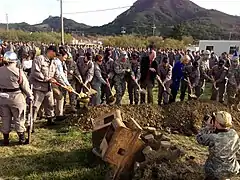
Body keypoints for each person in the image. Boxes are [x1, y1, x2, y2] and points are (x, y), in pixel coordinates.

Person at [0, 51, 33, 145]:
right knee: (19, 117)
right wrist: (30, 95)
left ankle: (6, 139)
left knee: (5, 118)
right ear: (14, 61)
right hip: (16, 96)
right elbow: (25, 86)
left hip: (2, 97)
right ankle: (21, 139)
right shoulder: (18, 71)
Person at [196, 111, 240, 180]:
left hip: (215, 172)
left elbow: (199, 138)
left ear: (216, 123)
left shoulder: (213, 138)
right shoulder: (234, 134)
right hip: (232, 169)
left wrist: (207, 126)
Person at [30, 46, 65, 126]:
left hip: (48, 88)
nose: (56, 55)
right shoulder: (39, 59)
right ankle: (31, 124)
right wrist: (47, 79)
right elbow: (35, 73)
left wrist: (65, 85)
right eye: (55, 53)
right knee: (35, 107)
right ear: (50, 51)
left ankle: (50, 120)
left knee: (50, 105)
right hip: (38, 87)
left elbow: (57, 75)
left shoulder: (54, 62)